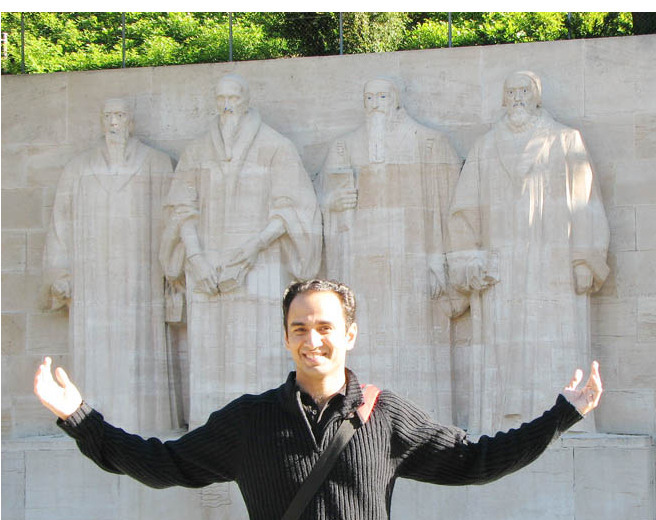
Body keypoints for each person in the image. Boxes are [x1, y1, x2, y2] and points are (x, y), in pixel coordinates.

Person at [34, 278, 603, 520]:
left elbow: (475, 460)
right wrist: (79, 418)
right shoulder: (250, 421)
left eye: (326, 326)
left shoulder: (386, 416)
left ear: (349, 334)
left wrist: (562, 415)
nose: (314, 339)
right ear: (286, 337)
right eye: (300, 328)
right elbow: (163, 464)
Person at [448, 70, 610, 434]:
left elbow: (585, 202)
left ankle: (565, 420)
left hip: (552, 262)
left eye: (524, 91)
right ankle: (501, 426)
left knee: (552, 338)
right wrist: (469, 260)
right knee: (502, 346)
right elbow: (464, 211)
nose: (517, 98)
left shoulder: (565, 140)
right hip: (501, 264)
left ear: (536, 97)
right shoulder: (486, 146)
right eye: (511, 92)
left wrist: (584, 259)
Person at [160, 73, 321, 428]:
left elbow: (291, 209)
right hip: (206, 267)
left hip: (262, 265)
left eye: (233, 98)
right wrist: (196, 258)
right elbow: (181, 208)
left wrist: (251, 249)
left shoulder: (275, 146)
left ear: (246, 101)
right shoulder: (197, 150)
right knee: (209, 351)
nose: (227, 106)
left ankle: (267, 431)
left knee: (258, 349)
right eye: (221, 99)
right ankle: (207, 433)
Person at [317, 78, 461, 423]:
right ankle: (359, 416)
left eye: (382, 96)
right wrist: (333, 201)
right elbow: (320, 200)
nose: (375, 103)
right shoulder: (344, 147)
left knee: (415, 337)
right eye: (369, 97)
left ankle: (420, 419)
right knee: (362, 334)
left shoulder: (428, 143)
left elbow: (451, 205)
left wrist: (440, 258)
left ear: (395, 100)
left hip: (413, 259)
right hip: (359, 264)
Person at [42, 98, 178, 433]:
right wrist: (60, 272)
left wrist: (175, 276)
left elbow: (174, 221)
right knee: (96, 354)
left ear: (131, 122)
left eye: (119, 116)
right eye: (108, 116)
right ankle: (91, 429)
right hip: (92, 280)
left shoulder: (156, 164)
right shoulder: (79, 168)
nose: (113, 123)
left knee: (138, 352)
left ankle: (144, 426)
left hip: (141, 279)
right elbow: (61, 223)